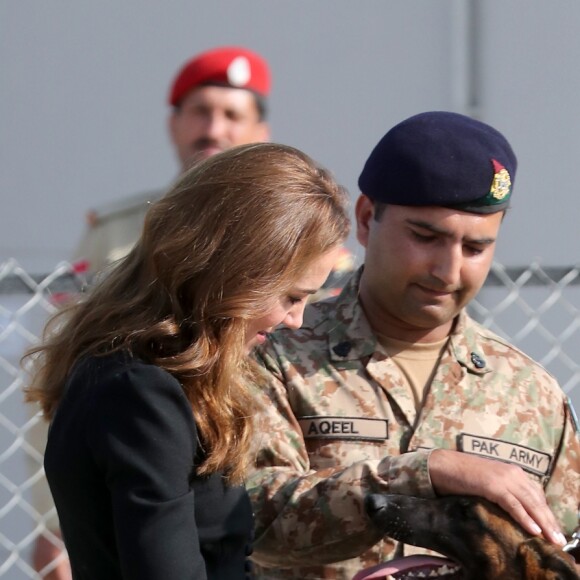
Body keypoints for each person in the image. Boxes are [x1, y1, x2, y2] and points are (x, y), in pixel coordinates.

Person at [246, 111, 580, 578]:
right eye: (425, 237)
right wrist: (425, 472)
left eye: (475, 248)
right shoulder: (275, 355)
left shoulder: (532, 396)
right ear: (366, 220)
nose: (448, 270)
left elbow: (561, 553)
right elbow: (246, 517)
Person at [23, 142, 351, 579]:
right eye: (291, 296)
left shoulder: (142, 376)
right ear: (237, 272)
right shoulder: (141, 394)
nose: (297, 320)